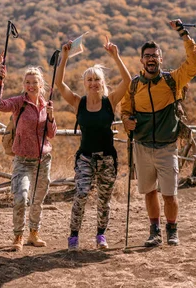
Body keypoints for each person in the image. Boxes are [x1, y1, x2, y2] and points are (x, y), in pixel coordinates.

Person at [120, 19, 196, 247]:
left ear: (161, 59)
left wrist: (183, 34)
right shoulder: (134, 85)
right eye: (147, 56)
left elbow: (194, 64)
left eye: (155, 55)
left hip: (167, 146)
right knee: (149, 192)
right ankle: (154, 231)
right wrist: (126, 121)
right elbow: (125, 108)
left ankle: (172, 230)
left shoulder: (172, 81)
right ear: (141, 60)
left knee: (169, 194)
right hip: (143, 146)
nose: (151, 59)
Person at [55, 37, 131, 251]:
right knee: (81, 194)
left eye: (96, 79)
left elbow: (128, 82)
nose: (93, 83)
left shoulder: (110, 101)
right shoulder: (79, 102)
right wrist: (65, 58)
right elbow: (59, 84)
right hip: (86, 157)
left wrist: (116, 57)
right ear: (84, 83)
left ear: (102, 82)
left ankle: (100, 235)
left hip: (107, 157)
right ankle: (73, 236)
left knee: (104, 199)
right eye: (89, 79)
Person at [0, 65, 57, 251]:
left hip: (43, 160)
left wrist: (51, 117)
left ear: (41, 84)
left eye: (34, 82)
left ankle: (33, 233)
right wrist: (0, 82)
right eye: (27, 82)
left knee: (38, 200)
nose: (31, 85)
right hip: (22, 159)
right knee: (21, 197)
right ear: (24, 84)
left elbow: (51, 134)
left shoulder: (46, 105)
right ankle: (18, 235)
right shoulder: (19, 103)